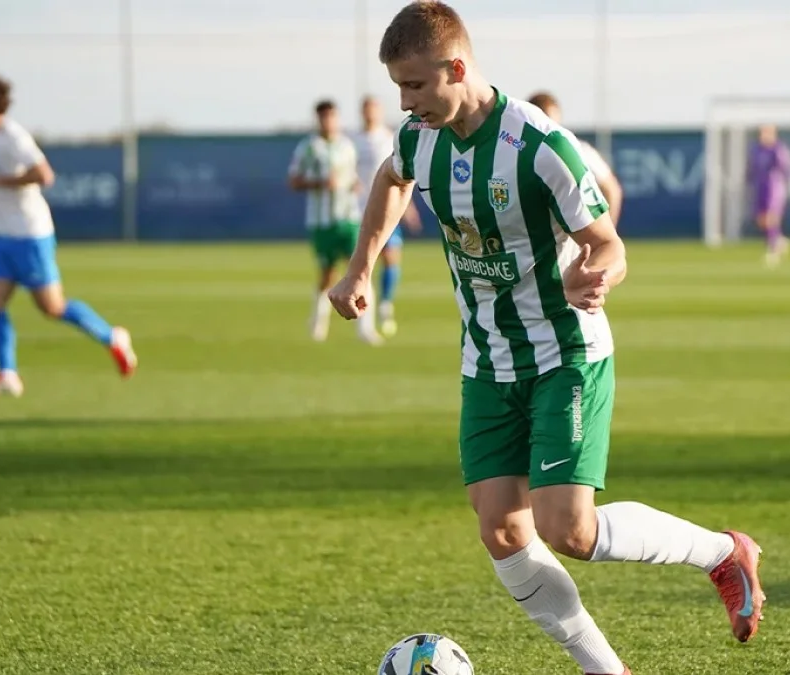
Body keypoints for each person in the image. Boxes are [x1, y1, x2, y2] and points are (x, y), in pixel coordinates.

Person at [327, 3, 765, 674]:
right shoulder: (420, 137)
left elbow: (608, 244)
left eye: (415, 85)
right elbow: (392, 178)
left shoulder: (538, 145)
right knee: (503, 529)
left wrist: (598, 273)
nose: (406, 103)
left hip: (565, 354)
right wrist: (361, 265)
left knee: (569, 529)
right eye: (398, 88)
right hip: (486, 360)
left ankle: (722, 553)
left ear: (457, 68)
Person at [0, 75, 137, 397]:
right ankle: (7, 374)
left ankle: (112, 337)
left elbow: (44, 175)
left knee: (52, 308)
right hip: (3, 237)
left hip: (29, 234)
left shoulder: (14, 136)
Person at [288, 99, 383, 345]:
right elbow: (294, 181)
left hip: (349, 218)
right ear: (318, 119)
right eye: (324, 117)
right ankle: (318, 324)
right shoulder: (309, 147)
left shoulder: (346, 145)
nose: (328, 121)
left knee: (361, 270)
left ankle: (366, 328)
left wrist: (354, 184)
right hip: (322, 222)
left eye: (332, 116)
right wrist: (320, 183)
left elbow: (351, 176)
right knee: (327, 274)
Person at [351, 95, 423, 337]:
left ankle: (386, 302)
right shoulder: (353, 140)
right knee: (365, 262)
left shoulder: (388, 138)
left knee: (391, 258)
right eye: (366, 109)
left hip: (387, 208)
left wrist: (408, 209)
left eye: (373, 108)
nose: (370, 113)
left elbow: (401, 176)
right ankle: (364, 317)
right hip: (358, 211)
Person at [527, 91, 624, 227]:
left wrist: (607, 231)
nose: (549, 126)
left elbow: (612, 189)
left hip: (573, 236)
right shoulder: (514, 153)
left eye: (552, 120)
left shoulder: (578, 149)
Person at [747, 124, 790, 268]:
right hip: (760, 186)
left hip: (774, 186)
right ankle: (779, 240)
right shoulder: (756, 149)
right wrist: (749, 180)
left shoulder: (778, 149)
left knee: (771, 217)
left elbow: (786, 167)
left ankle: (773, 250)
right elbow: (752, 168)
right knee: (761, 219)